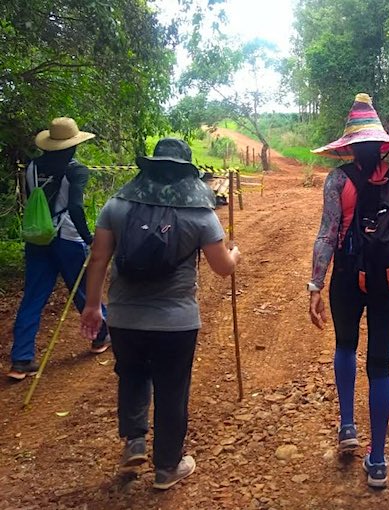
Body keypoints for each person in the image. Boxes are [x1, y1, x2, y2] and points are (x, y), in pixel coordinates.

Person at [80, 138, 240, 490]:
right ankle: (167, 467)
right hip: (176, 322)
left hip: (124, 318)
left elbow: (98, 258)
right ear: (187, 172)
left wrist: (93, 306)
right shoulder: (200, 213)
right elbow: (222, 268)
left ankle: (134, 442)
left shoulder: (117, 205)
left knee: (132, 375)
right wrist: (235, 253)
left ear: (148, 168)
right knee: (172, 389)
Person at [308, 93, 389, 489]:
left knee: (346, 346)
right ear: (384, 146)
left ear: (348, 147)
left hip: (348, 278)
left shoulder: (337, 180)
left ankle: (347, 425)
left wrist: (315, 285)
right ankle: (378, 462)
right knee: (380, 365)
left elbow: (328, 234)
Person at [8, 118, 109, 381]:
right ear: (72, 146)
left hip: (37, 236)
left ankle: (20, 359)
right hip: (66, 237)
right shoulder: (76, 170)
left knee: (33, 297)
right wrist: (88, 237)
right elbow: (75, 207)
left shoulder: (31, 167)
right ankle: (100, 337)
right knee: (84, 290)